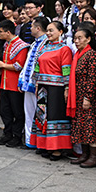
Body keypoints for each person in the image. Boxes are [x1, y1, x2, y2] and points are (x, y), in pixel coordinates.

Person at [31, 21, 73, 159]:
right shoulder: (44, 47)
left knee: (55, 117)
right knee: (42, 116)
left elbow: (66, 69)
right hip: (43, 86)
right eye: (47, 30)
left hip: (57, 88)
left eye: (51, 30)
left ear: (61, 32)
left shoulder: (64, 49)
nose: (48, 33)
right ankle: (44, 145)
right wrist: (36, 84)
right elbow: (37, 66)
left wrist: (67, 88)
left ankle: (57, 149)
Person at [66, 27, 96, 167]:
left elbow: (93, 78)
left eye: (80, 38)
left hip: (87, 96)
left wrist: (87, 97)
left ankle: (94, 157)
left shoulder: (91, 55)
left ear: (88, 39)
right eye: (75, 39)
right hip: (77, 95)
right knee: (81, 125)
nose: (76, 41)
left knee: (90, 126)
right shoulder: (78, 54)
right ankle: (84, 154)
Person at [0, 20, 29, 147]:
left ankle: (17, 136)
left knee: (17, 113)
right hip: (4, 84)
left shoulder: (22, 46)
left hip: (15, 85)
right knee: (5, 111)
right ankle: (7, 134)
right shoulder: (6, 44)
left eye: (1, 32)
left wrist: (3, 65)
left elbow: (19, 65)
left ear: (8, 32)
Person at [18, 17, 49, 149]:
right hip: (28, 83)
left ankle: (41, 142)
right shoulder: (33, 44)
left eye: (31, 27)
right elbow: (26, 64)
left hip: (40, 84)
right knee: (29, 113)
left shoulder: (47, 44)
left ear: (38, 28)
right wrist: (21, 80)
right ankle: (30, 141)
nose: (30, 29)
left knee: (42, 114)